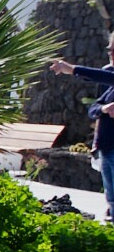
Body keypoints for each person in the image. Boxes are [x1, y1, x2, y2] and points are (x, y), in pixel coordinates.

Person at [48, 55, 114, 221]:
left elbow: (102, 76)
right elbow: (94, 109)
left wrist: (72, 69)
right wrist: (104, 109)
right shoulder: (111, 90)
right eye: (109, 50)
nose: (110, 54)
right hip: (106, 148)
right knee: (111, 199)